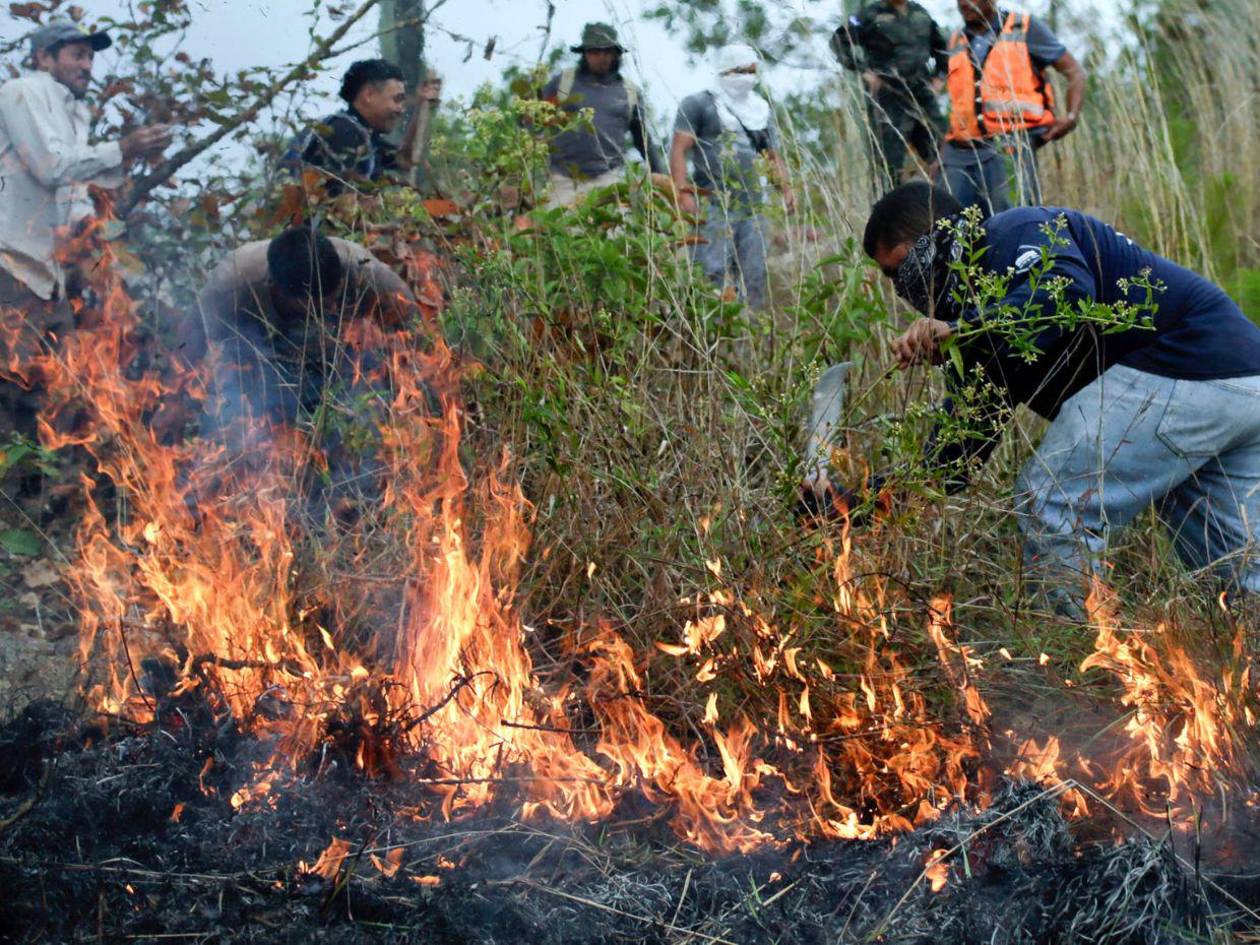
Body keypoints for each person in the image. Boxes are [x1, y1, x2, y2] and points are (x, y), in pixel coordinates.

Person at [826, 182, 1260, 618]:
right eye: (890, 278)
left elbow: (1065, 294)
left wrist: (963, 331)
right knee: (1238, 574)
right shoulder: (980, 324)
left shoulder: (1014, 230)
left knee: (1051, 500)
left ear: (942, 234)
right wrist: (847, 505)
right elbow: (953, 463)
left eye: (903, 268)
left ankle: (1084, 650)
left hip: (1187, 363)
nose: (903, 287)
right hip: (1238, 388)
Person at [0, 19, 171, 440]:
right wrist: (123, 147)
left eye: (90, 57)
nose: (87, 66)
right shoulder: (23, 91)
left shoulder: (74, 111)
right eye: (77, 55)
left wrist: (97, 252)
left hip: (48, 278)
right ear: (44, 58)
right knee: (9, 386)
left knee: (54, 395)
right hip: (10, 265)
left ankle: (37, 477)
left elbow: (74, 189)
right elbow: (51, 168)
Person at [191, 228, 415, 431]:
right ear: (276, 289)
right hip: (264, 368)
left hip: (345, 363)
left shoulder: (365, 271)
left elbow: (412, 328)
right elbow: (190, 346)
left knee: (366, 427)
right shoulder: (232, 284)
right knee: (234, 427)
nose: (324, 312)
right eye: (311, 308)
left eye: (328, 304)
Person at [670, 44, 795, 311]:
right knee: (711, 273)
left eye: (751, 71)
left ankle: (751, 329)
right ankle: (712, 328)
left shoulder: (760, 110)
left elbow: (771, 156)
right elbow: (679, 148)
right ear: (725, 70)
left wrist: (785, 189)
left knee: (754, 273)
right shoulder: (699, 104)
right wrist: (682, 192)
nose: (747, 77)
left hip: (753, 207)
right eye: (740, 71)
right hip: (712, 203)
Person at [938, 0, 1085, 216]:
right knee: (946, 223)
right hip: (959, 152)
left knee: (1013, 222)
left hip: (1010, 146)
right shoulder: (954, 39)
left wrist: (1071, 117)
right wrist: (941, 153)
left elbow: (1075, 72)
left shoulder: (1024, 27)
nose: (964, 3)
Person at [539, 22, 666, 209]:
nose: (602, 57)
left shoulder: (629, 92)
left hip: (609, 180)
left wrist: (663, 178)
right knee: (559, 224)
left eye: (607, 51)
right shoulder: (563, 84)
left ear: (615, 54)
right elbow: (533, 121)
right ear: (585, 53)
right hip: (564, 181)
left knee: (615, 225)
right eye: (595, 52)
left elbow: (643, 140)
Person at [830, 0, 949, 187]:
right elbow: (838, 41)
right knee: (888, 167)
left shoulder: (920, 13)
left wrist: (939, 77)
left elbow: (941, 47)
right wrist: (864, 71)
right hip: (888, 98)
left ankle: (946, 200)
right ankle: (892, 202)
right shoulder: (869, 15)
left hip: (921, 96)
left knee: (944, 156)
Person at [284, 58, 441, 194]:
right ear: (369, 95)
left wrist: (421, 106)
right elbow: (350, 204)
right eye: (397, 100)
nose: (401, 110)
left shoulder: (362, 134)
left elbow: (405, 160)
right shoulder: (343, 133)